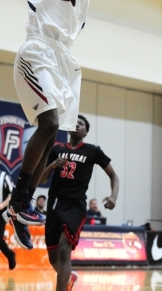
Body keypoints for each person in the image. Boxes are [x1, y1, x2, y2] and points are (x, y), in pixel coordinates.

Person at [3, 0, 94, 251]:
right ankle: (21, 198)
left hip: (64, 61)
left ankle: (17, 205)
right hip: (37, 49)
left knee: (52, 133)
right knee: (51, 125)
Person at [40, 114, 119, 291]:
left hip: (75, 204)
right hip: (54, 203)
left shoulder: (93, 151)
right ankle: (69, 278)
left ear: (86, 131)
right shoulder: (56, 149)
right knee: (53, 257)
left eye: (81, 123)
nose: (77, 125)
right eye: (74, 123)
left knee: (64, 248)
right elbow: (41, 180)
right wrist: (52, 165)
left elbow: (114, 175)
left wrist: (113, 196)